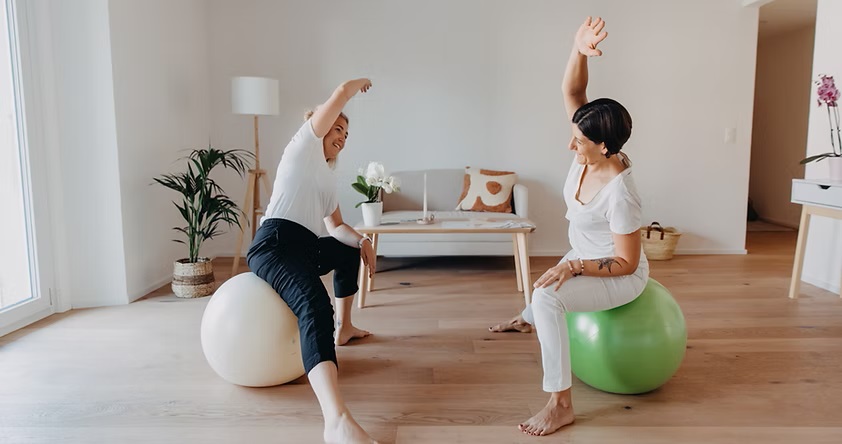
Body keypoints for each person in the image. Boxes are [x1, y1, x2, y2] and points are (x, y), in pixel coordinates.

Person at [489, 17, 650, 437]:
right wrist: (578, 49)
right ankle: (524, 318)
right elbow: (573, 92)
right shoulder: (589, 146)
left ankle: (560, 404)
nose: (569, 145)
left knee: (546, 298)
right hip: (582, 254)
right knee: (540, 290)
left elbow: (627, 263)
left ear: (605, 146)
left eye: (577, 141)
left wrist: (575, 267)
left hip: (618, 273)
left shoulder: (620, 193)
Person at [247, 78, 378, 444]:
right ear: (318, 125)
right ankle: (335, 421)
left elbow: (335, 226)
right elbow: (338, 95)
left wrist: (363, 240)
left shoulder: (328, 177)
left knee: (347, 250)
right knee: (315, 304)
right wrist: (354, 86)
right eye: (338, 127)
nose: (342, 136)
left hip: (306, 246)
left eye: (347, 134)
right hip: (274, 244)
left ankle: (345, 328)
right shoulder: (301, 147)